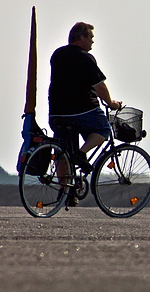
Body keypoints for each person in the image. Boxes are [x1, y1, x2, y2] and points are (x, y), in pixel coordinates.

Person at [48, 22, 122, 206]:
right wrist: (111, 103)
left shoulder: (57, 55)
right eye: (90, 38)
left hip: (57, 112)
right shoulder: (85, 58)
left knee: (64, 151)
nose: (92, 42)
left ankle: (66, 191)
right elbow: (99, 86)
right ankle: (81, 154)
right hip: (82, 110)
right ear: (81, 37)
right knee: (103, 128)